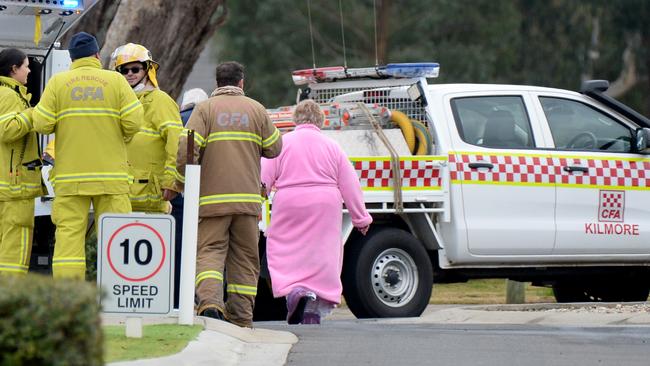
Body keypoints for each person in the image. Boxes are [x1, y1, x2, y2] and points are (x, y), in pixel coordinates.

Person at [176, 61, 282, 327]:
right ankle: (241, 318)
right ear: (241, 82)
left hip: (211, 202)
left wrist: (182, 182)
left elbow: (186, 150)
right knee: (245, 259)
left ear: (217, 83)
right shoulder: (256, 110)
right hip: (247, 202)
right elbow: (275, 148)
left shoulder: (205, 110)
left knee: (210, 253)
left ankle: (210, 304)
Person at [33, 32, 143, 279]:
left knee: (69, 241)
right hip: (111, 178)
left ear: (72, 58)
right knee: (118, 237)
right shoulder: (115, 81)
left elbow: (41, 123)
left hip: (71, 179)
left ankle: (70, 301)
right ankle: (118, 298)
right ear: (96, 55)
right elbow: (135, 121)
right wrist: (120, 136)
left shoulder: (58, 83)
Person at [261, 99, 372, 325]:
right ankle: (314, 306)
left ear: (295, 119)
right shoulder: (332, 146)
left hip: (289, 200)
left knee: (285, 248)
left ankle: (294, 291)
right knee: (323, 252)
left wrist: (254, 205)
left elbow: (263, 178)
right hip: (325, 203)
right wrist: (360, 218)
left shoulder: (283, 143)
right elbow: (350, 184)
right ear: (320, 121)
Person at [110, 43, 183, 214]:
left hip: (150, 199)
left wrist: (171, 182)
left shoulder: (160, 101)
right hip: (119, 197)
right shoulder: (116, 102)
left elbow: (176, 142)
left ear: (147, 69)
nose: (129, 74)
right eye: (124, 70)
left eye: (135, 69)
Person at [0, 48, 43, 275]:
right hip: (15, 191)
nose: (29, 71)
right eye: (26, 66)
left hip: (8, 190)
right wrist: (32, 113)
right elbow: (6, 130)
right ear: (13, 69)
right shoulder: (8, 95)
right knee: (14, 255)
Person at [170, 87, 208, 309]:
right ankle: (200, 299)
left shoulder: (176, 120)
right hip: (204, 197)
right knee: (206, 251)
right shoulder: (207, 120)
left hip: (177, 196)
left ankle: (177, 300)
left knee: (177, 252)